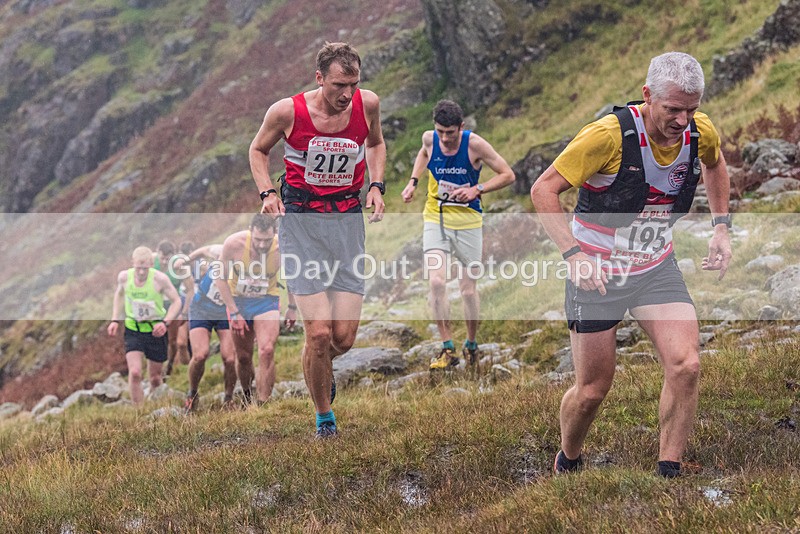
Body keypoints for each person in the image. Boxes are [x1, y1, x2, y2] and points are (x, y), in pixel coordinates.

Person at [530, 52, 732, 478]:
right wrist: (574, 255)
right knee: (592, 390)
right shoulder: (606, 136)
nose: (682, 120)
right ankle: (568, 458)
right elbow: (543, 190)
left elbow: (715, 165)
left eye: (691, 109)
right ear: (647, 95)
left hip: (655, 268)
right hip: (598, 275)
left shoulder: (700, 130)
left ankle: (668, 472)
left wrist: (721, 227)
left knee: (686, 365)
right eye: (673, 109)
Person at [249, 41, 386, 438]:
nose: (347, 94)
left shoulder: (367, 104)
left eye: (353, 84)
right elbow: (257, 150)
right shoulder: (287, 111)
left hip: (347, 224)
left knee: (342, 338)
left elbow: (375, 143)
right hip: (302, 224)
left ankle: (318, 361)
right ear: (319, 78)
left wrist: (376, 185)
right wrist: (267, 193)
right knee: (320, 332)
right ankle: (325, 418)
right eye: (339, 85)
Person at [401, 99, 515, 371]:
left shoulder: (475, 145)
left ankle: (471, 344)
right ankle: (447, 347)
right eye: (440, 131)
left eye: (450, 133)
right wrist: (413, 182)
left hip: (468, 221)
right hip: (436, 217)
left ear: (461, 127)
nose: (444, 138)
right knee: (436, 282)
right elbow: (424, 153)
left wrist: (478, 189)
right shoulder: (429, 139)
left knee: (467, 290)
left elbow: (508, 175)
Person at [214, 214, 295, 406]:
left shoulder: (283, 246)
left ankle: (263, 403)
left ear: (275, 233)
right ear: (251, 231)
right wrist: (234, 311)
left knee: (266, 350)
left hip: (266, 300)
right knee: (243, 357)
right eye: (258, 239)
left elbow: (292, 277)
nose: (262, 245)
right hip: (238, 302)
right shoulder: (233, 244)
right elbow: (220, 278)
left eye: (267, 240)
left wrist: (292, 307)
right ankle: (247, 395)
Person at [108, 246, 182, 405]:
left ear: (151, 264)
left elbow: (177, 301)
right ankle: (139, 412)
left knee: (155, 378)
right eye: (138, 268)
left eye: (145, 268)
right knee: (135, 372)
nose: (141, 272)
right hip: (133, 329)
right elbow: (119, 295)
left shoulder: (160, 279)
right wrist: (115, 319)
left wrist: (165, 322)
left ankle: (156, 408)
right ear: (132, 263)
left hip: (155, 331)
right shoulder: (124, 277)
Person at [173, 244, 237, 413]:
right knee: (200, 355)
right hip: (201, 307)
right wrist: (186, 261)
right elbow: (202, 251)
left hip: (225, 311)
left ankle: (228, 397)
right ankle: (192, 393)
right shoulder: (223, 250)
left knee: (230, 359)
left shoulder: (250, 262)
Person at [153, 240, 190, 375]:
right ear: (157, 253)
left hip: (174, 305)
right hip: (156, 305)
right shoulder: (151, 261)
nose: (164, 262)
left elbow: (190, 290)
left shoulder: (179, 266)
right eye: (162, 258)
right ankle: (157, 369)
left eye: (167, 259)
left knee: (173, 341)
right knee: (156, 338)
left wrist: (184, 313)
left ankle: (169, 365)